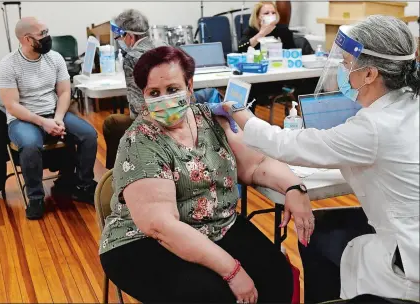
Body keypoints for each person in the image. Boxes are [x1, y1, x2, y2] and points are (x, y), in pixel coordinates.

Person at [212, 15, 420, 302]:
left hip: (408, 258)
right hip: (409, 229)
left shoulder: (374, 127)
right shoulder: (409, 102)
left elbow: (285, 143)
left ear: (370, 74)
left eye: (347, 63)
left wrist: (239, 113)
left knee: (317, 236)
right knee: (324, 226)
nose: (343, 70)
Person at [99, 46, 315, 303]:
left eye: (172, 89)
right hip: (143, 240)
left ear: (189, 86)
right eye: (154, 93)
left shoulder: (212, 119)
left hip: (216, 225)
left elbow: (256, 165)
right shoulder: (140, 142)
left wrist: (294, 188)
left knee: (277, 275)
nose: (164, 99)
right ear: (143, 94)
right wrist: (232, 271)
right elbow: (161, 227)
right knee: (211, 295)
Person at [0, 17, 98, 220]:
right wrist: (43, 122)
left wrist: (57, 118)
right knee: (30, 145)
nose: (48, 37)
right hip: (23, 118)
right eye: (42, 34)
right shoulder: (8, 65)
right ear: (26, 39)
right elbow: (12, 106)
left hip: (54, 113)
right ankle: (36, 198)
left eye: (47, 31)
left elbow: (65, 91)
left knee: (89, 135)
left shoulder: (55, 58)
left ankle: (83, 185)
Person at [103, 10, 162, 169]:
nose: (119, 40)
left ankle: (115, 173)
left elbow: (138, 103)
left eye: (120, 37)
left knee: (111, 123)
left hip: (152, 122)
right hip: (177, 115)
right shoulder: (165, 48)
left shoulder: (132, 57)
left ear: (129, 36)